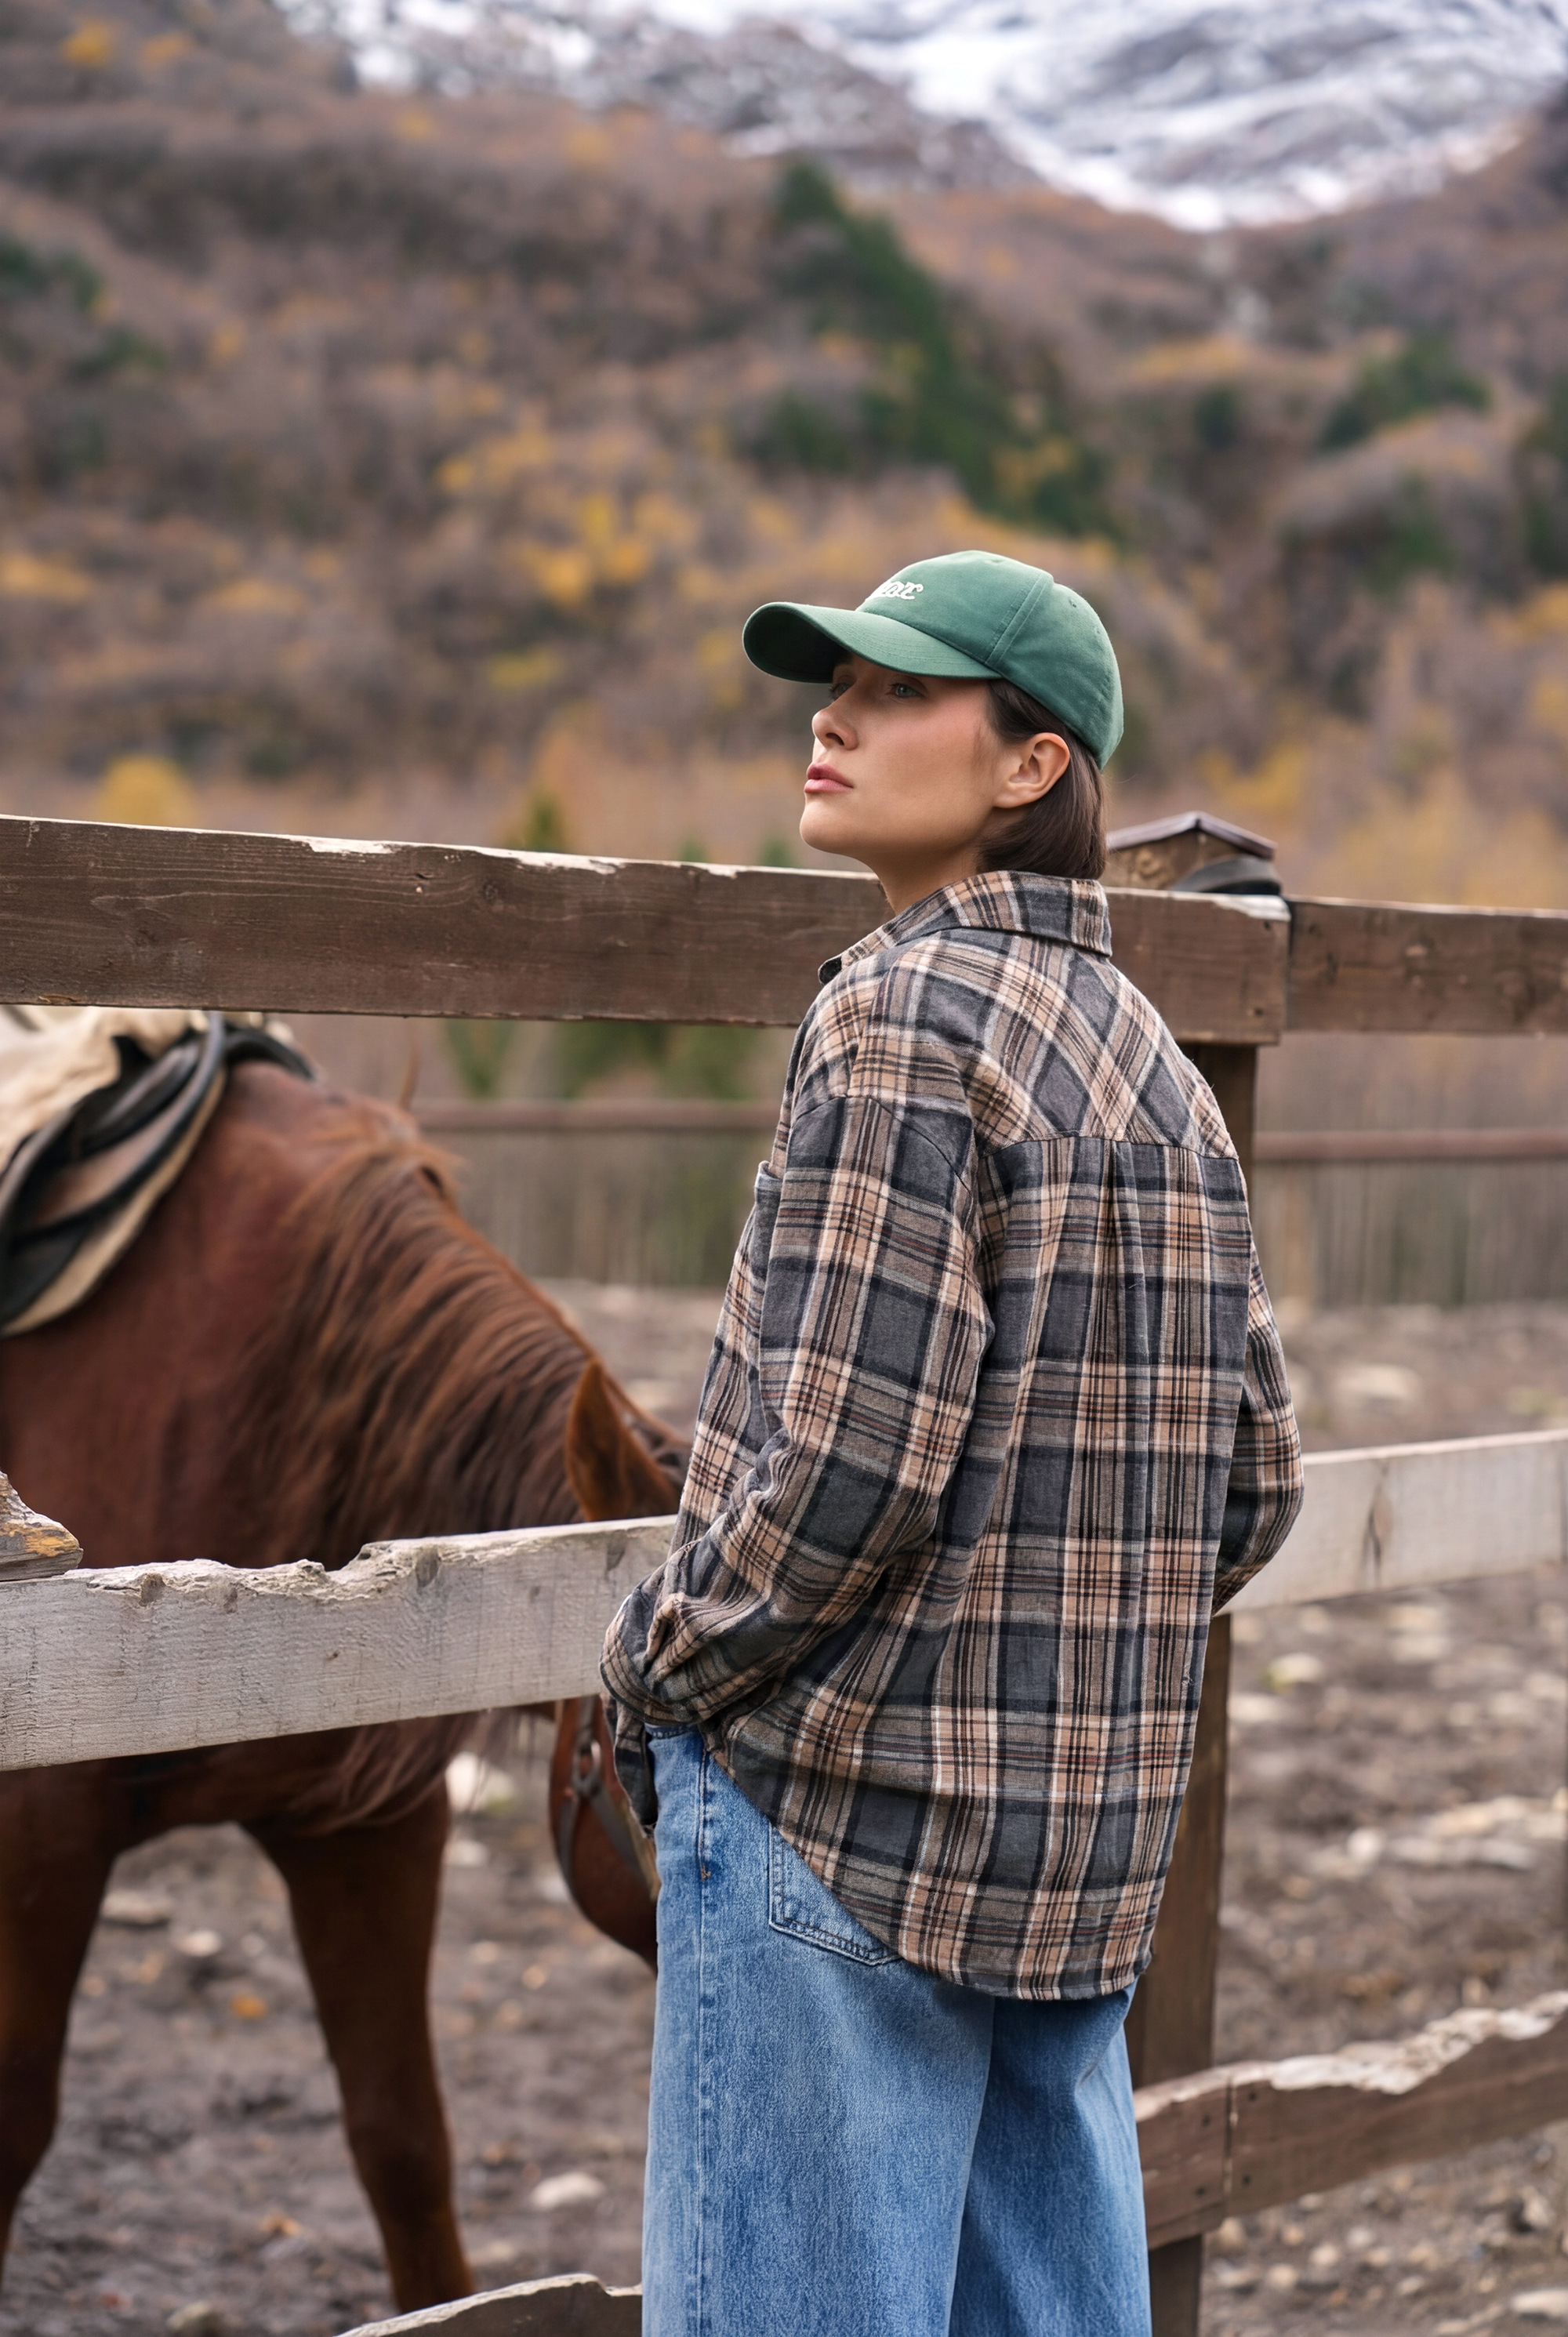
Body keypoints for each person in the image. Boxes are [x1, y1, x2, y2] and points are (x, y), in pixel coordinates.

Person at [601, 548, 1303, 2337]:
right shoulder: (1151, 1054)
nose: (832, 717)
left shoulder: (897, 1013)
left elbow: (849, 1470)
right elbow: (1254, 1477)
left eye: (898, 689)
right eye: (832, 684)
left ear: (1030, 764)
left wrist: (658, 1667)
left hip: (833, 1831)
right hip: (1071, 1868)